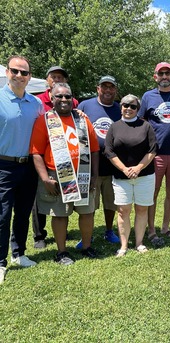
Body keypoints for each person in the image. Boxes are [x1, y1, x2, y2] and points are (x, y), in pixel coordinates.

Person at [30, 83, 99, 265]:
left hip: (83, 172)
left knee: (87, 212)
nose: (63, 100)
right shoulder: (44, 120)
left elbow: (94, 149)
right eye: (59, 96)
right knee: (60, 214)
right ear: (51, 99)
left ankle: (86, 247)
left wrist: (94, 175)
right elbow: (36, 152)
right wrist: (45, 178)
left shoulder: (83, 119)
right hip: (58, 174)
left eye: (67, 96)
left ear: (72, 99)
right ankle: (62, 252)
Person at [0, 55, 44, 284]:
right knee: (2, 214)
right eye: (15, 71)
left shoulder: (36, 104)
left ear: (29, 77)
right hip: (3, 165)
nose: (19, 76)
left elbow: (51, 126)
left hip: (28, 166)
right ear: (7, 72)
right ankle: (0, 262)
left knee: (24, 212)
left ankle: (19, 253)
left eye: (24, 73)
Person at [138, 62, 170, 246]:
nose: (164, 76)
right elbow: (141, 121)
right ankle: (151, 230)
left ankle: (165, 227)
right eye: (161, 74)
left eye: (167, 73)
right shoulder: (148, 96)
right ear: (155, 77)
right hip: (155, 154)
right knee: (152, 192)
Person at [32, 65, 79, 249]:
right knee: (42, 198)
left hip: (68, 162)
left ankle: (61, 233)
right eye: (54, 77)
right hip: (45, 155)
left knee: (61, 204)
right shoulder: (38, 101)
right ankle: (39, 235)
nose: (58, 79)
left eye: (61, 77)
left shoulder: (72, 102)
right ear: (48, 81)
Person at [105, 94, 157, 256]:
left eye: (133, 106)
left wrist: (138, 168)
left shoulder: (146, 126)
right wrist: (125, 169)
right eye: (125, 105)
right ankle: (124, 245)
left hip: (145, 176)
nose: (129, 109)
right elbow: (109, 151)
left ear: (138, 109)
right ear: (121, 107)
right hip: (122, 177)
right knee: (123, 210)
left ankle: (139, 243)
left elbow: (152, 150)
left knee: (142, 209)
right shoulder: (114, 127)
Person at [76, 75, 121, 248]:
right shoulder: (85, 105)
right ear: (98, 88)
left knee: (111, 203)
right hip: (90, 166)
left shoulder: (119, 108)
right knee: (89, 206)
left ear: (115, 90)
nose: (108, 90)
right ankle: (88, 235)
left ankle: (109, 231)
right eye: (105, 87)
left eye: (111, 87)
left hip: (113, 166)